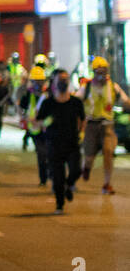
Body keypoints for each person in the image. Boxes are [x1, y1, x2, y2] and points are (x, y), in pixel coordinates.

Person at [79, 56, 129, 194]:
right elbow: (76, 102)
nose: (102, 74)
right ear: (94, 72)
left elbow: (125, 101)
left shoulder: (113, 87)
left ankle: (107, 184)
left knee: (108, 152)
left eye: (104, 71)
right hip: (91, 126)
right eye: (99, 72)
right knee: (89, 157)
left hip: (107, 125)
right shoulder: (86, 88)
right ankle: (87, 168)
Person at [38, 69, 85, 214]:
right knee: (57, 177)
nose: (63, 82)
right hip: (54, 144)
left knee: (76, 171)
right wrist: (46, 121)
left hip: (72, 143)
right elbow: (38, 122)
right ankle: (60, 204)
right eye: (60, 80)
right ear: (54, 83)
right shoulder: (48, 103)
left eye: (66, 79)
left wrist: (81, 132)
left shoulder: (76, 102)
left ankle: (68, 185)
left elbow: (83, 119)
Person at [19, 66, 49, 184]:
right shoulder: (27, 96)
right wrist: (25, 118)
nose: (38, 84)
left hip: (47, 128)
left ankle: (50, 174)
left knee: (49, 153)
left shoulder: (48, 95)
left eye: (40, 81)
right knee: (41, 153)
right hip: (35, 129)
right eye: (35, 81)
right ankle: (43, 179)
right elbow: (21, 109)